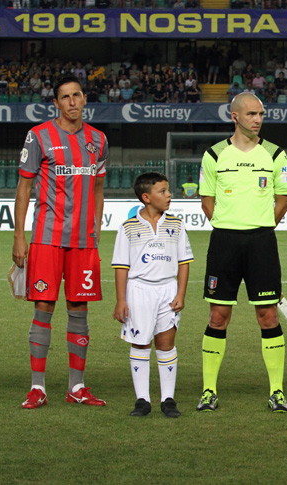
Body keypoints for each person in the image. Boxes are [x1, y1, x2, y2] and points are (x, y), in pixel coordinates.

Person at [14, 75, 109, 409]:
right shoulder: (38, 136)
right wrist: (19, 236)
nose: (72, 102)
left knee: (79, 309)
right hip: (47, 239)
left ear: (84, 99)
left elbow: (98, 189)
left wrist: (95, 232)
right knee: (44, 306)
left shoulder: (98, 140)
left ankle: (77, 386)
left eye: (77, 95)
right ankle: (37, 387)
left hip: (83, 242)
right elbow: (24, 187)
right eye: (65, 97)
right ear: (56, 103)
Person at [197, 92, 287, 413]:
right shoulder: (213, 155)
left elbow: (283, 200)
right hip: (224, 242)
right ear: (234, 116)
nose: (258, 119)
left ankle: (277, 391)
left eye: (261, 114)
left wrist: (261, 225)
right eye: (252, 114)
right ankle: (209, 390)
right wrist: (229, 225)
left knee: (267, 316)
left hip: (262, 242)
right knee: (218, 316)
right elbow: (207, 201)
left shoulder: (276, 154)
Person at [112, 172, 193, 418]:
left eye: (168, 190)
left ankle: (168, 400)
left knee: (166, 344)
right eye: (163, 191)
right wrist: (121, 300)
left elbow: (184, 262)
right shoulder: (128, 227)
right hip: (139, 291)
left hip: (167, 290)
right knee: (141, 343)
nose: (169, 195)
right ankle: (142, 400)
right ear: (146, 197)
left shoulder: (176, 224)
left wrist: (181, 293)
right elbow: (121, 266)